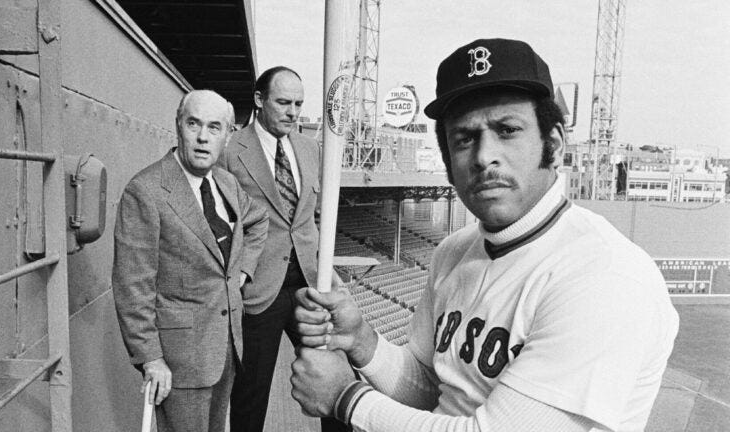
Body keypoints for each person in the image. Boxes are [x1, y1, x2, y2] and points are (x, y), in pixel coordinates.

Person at [291, 38, 679, 432]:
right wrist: (362, 340)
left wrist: (345, 398)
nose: (483, 156)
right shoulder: (453, 252)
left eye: (507, 130)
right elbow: (430, 390)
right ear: (447, 161)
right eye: (464, 138)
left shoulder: (604, 276)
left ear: (555, 144)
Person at [112, 90, 268, 432]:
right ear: (178, 126)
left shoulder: (226, 183)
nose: (202, 137)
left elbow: (258, 221)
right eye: (193, 124)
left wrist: (242, 271)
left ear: (227, 136)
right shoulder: (146, 191)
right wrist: (151, 358)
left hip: (226, 348)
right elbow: (132, 287)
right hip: (178, 361)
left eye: (214, 128)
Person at [218, 66, 347, 432]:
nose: (293, 112)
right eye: (284, 102)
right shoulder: (231, 151)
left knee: (334, 380)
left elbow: (310, 218)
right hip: (260, 288)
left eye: (299, 104)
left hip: (309, 282)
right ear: (259, 100)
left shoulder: (310, 148)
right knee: (250, 394)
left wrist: (327, 269)